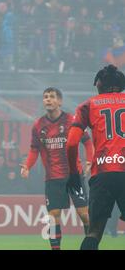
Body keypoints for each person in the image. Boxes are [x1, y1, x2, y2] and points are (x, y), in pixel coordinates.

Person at [21, 87, 93, 250]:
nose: (48, 99)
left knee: (84, 215)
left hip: (74, 175)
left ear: (59, 101)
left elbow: (87, 142)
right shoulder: (38, 125)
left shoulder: (72, 120)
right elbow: (34, 150)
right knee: (53, 217)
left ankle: (91, 245)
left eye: (52, 97)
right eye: (45, 97)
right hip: (53, 178)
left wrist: (89, 161)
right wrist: (27, 166)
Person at [67, 65, 125, 250]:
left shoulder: (88, 105)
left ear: (100, 84)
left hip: (102, 174)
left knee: (94, 232)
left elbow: (71, 143)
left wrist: (74, 174)